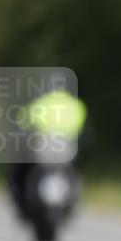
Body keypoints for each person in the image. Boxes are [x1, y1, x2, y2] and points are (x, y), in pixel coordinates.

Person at [7, 88, 88, 219]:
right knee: (75, 173)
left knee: (18, 170)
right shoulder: (75, 104)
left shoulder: (40, 103)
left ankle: (21, 203)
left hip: (43, 148)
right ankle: (74, 202)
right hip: (67, 149)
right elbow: (83, 130)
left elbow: (22, 124)